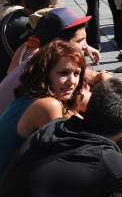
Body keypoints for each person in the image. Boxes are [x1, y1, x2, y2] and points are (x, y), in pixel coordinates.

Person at [0, 40, 87, 178]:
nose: (72, 82)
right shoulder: (48, 105)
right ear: (45, 74)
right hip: (8, 190)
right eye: (63, 73)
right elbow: (69, 153)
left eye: (76, 74)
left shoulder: (31, 94)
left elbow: (79, 124)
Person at [0, 0, 59, 82]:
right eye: (56, 8)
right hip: (9, 81)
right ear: (49, 8)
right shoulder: (30, 26)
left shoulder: (14, 14)